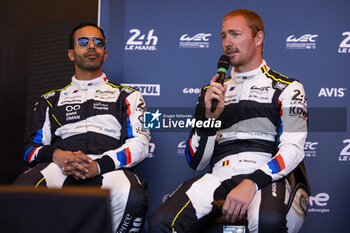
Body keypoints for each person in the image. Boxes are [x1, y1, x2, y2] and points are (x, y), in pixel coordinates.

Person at [149, 9, 308, 233]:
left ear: (258, 38)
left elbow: (293, 149)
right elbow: (196, 162)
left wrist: (252, 182)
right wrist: (210, 118)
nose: (227, 43)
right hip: (219, 174)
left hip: (265, 175)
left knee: (268, 221)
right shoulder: (211, 92)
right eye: (223, 36)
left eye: (235, 34)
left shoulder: (288, 88)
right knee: (161, 223)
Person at [14, 23, 150, 233]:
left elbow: (140, 144)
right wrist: (57, 155)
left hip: (107, 166)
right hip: (60, 167)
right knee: (23, 190)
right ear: (71, 54)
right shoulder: (48, 100)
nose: (91, 46)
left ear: (105, 54)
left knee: (133, 197)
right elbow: (30, 150)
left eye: (98, 43)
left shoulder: (130, 96)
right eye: (83, 42)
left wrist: (100, 165)